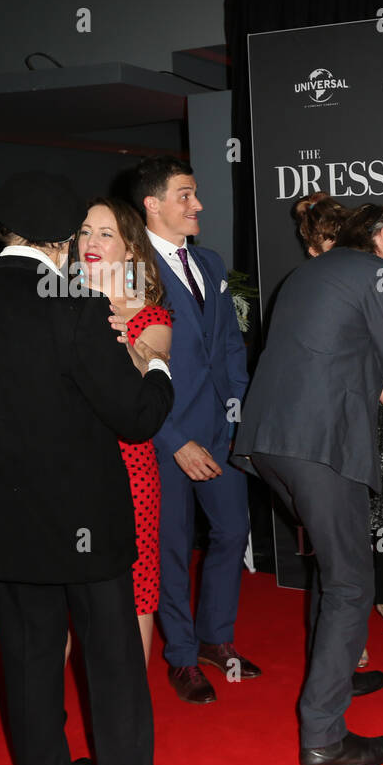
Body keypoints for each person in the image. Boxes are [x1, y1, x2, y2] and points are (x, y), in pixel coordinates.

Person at [0, 171, 189, 765]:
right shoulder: (74, 308)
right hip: (85, 520)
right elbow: (135, 419)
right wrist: (156, 367)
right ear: (64, 242)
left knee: (30, 655)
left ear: (0, 233)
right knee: (113, 659)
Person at [233, 203, 383, 765]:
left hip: (267, 443)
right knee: (352, 582)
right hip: (317, 444)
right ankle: (323, 741)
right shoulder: (375, 272)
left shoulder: (308, 273)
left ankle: (338, 674)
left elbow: (344, 357)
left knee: (334, 572)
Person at [135, 156, 257, 703]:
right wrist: (175, 440)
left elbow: (229, 346)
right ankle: (182, 656)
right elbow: (128, 372)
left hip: (220, 430)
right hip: (162, 436)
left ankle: (215, 638)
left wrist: (236, 414)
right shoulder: (129, 271)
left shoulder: (208, 260)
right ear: (152, 204)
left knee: (233, 532)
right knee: (172, 548)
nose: (198, 205)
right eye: (185, 195)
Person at [292, 193, 383, 660]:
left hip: (362, 419)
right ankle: (342, 648)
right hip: (336, 428)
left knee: (368, 534)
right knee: (342, 554)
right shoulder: (362, 277)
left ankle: (377, 614)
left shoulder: (373, 279)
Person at [80, 197, 173, 663]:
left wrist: (124, 343)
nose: (90, 242)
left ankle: (131, 710)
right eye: (84, 231)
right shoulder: (53, 301)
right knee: (67, 585)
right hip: (66, 463)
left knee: (138, 582)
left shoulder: (148, 315)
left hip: (128, 463)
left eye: (105, 233)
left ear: (131, 251)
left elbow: (152, 369)